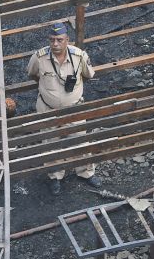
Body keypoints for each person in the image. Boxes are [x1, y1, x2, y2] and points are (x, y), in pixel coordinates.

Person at [26, 23, 100, 194]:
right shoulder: (39, 57)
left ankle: (86, 172)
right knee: (51, 143)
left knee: (80, 140)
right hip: (48, 109)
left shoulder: (79, 56)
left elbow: (88, 75)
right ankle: (55, 176)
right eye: (52, 40)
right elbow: (32, 74)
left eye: (59, 40)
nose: (55, 44)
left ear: (67, 40)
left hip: (74, 109)